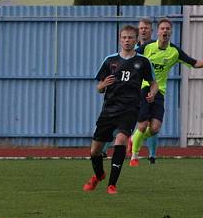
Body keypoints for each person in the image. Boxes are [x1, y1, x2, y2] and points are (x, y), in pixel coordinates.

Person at [82, 25, 158, 195]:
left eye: (130, 37)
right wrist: (103, 85)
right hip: (109, 109)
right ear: (119, 39)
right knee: (95, 151)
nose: (127, 40)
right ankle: (99, 176)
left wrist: (152, 93)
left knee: (121, 140)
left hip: (130, 108)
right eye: (124, 37)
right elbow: (99, 88)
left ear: (136, 39)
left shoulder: (143, 61)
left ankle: (112, 185)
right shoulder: (110, 60)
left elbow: (154, 83)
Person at [129, 18, 203, 166]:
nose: (165, 31)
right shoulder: (147, 47)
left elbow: (195, 63)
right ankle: (134, 156)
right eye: (162, 28)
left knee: (155, 128)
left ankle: (134, 139)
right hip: (144, 88)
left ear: (171, 32)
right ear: (157, 31)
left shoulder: (174, 52)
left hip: (160, 92)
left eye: (167, 29)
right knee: (143, 125)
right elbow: (130, 57)